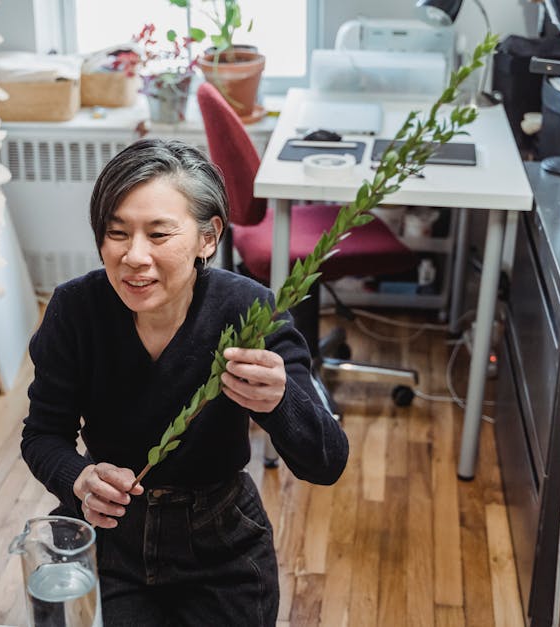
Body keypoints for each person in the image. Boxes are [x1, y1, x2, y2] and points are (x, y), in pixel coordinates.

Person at [21, 138, 349, 626]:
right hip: (111, 541)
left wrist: (281, 401)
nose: (134, 256)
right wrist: (79, 478)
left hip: (222, 543)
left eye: (158, 234)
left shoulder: (249, 312)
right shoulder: (75, 311)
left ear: (208, 237)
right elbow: (43, 434)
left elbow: (327, 461)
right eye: (116, 232)